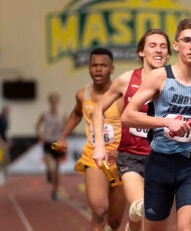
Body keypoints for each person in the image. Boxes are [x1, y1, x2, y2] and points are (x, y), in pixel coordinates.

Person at [118, 18, 191, 231]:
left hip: (190, 165)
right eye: (187, 40)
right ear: (176, 45)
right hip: (159, 165)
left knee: (187, 227)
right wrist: (166, 122)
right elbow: (128, 115)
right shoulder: (159, 77)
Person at [92, 29, 171, 231]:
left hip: (164, 159)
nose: (158, 50)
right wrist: (100, 145)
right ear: (141, 52)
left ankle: (131, 226)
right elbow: (99, 108)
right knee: (142, 206)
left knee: (147, 217)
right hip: (131, 158)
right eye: (152, 45)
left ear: (169, 54)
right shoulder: (126, 80)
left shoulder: (175, 83)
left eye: (163, 46)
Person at [55, 48, 126, 230]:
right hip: (94, 158)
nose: (98, 69)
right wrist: (63, 137)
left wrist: (121, 149)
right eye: (94, 65)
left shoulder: (121, 96)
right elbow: (76, 114)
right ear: (88, 68)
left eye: (103, 65)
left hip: (119, 159)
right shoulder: (83, 94)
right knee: (99, 211)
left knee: (115, 220)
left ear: (112, 69)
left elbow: (132, 124)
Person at [35, 92, 68, 200]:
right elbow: (37, 126)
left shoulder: (62, 114)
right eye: (51, 101)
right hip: (48, 142)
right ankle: (48, 173)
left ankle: (55, 190)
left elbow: (68, 126)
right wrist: (40, 136)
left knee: (57, 169)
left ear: (57, 102)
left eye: (55, 101)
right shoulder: (45, 114)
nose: (53, 103)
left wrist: (64, 134)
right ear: (49, 102)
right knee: (49, 165)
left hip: (58, 142)